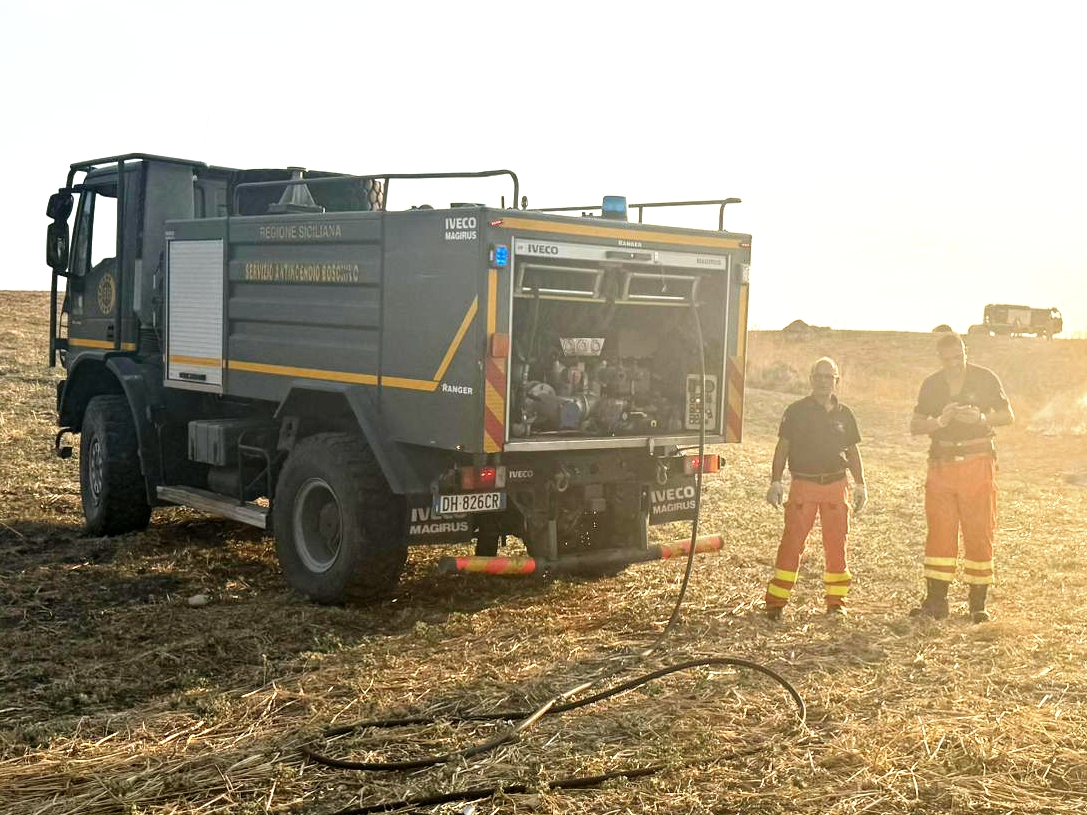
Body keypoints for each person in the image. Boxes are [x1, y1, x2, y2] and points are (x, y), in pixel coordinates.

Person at [910, 333, 1013, 622]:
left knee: (979, 529)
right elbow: (915, 425)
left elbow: (1008, 416)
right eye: (948, 360)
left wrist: (981, 418)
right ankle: (936, 602)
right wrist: (939, 421)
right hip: (941, 463)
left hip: (977, 462)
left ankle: (977, 604)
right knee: (940, 531)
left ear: (966, 352)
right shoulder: (931, 385)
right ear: (940, 359)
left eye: (959, 357)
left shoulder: (985, 378)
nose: (955, 364)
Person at [763, 357, 867, 620]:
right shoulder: (796, 411)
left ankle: (836, 603)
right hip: (804, 485)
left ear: (836, 381)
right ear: (811, 380)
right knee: (792, 542)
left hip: (835, 485)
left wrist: (860, 484)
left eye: (828, 377)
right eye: (818, 377)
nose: (823, 382)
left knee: (836, 544)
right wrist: (776, 481)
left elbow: (853, 451)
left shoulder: (845, 414)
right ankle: (776, 603)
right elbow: (783, 447)